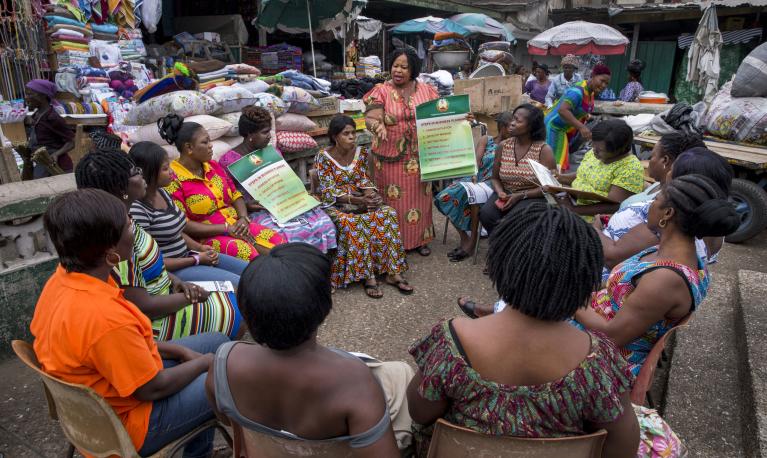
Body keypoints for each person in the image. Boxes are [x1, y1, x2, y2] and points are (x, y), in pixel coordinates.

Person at [407, 203, 648, 457]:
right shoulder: (598, 362)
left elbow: (419, 412)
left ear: (501, 264)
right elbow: (621, 448)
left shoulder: (452, 342)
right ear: (583, 279)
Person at [31, 189, 228, 458]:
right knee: (224, 372)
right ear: (112, 255)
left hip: (104, 393)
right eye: (128, 225)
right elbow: (152, 388)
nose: (134, 229)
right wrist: (205, 363)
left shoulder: (63, 279)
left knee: (216, 342)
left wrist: (180, 352)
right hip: (130, 424)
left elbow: (122, 348)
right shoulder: (106, 318)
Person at [205, 243, 415, 456]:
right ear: (323, 307)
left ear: (248, 313)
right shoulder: (356, 383)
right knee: (402, 372)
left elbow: (227, 419)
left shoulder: (224, 362)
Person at [574, 175, 740, 376]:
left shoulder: (666, 279)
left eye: (655, 201)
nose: (649, 205)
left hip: (603, 362)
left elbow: (612, 337)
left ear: (668, 213)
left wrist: (569, 301)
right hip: (589, 324)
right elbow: (616, 285)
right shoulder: (672, 252)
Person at [75, 149, 243, 341]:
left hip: (170, 289)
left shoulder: (127, 220)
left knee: (238, 294)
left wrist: (177, 282)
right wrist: (190, 295)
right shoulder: (117, 240)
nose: (141, 175)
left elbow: (151, 265)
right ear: (121, 189)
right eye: (135, 172)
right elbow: (144, 307)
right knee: (236, 304)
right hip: (154, 326)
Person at [159, 114, 286, 261]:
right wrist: (226, 228)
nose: (211, 145)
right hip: (207, 237)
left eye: (210, 141)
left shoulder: (213, 166)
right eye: (205, 142)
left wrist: (243, 218)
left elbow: (235, 194)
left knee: (280, 243)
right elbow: (184, 225)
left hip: (236, 224)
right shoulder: (173, 180)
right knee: (248, 254)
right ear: (189, 148)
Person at [217, 106, 337, 254]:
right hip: (259, 211)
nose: (269, 136)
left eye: (270, 131)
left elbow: (285, 178)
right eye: (264, 132)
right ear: (250, 134)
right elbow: (228, 194)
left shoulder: (272, 152)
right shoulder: (229, 161)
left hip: (286, 203)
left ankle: (321, 267)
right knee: (289, 236)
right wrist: (247, 206)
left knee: (324, 224)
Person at [598, 146, 733, 277]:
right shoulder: (708, 216)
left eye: (672, 169)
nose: (667, 172)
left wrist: (594, 226)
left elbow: (613, 258)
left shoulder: (671, 223)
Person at [315, 115, 411, 297]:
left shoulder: (361, 153)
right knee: (352, 222)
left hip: (359, 198)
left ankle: (393, 272)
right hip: (336, 203)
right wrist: (357, 201)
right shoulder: (323, 157)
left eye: (354, 133)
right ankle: (368, 276)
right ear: (335, 137)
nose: (352, 137)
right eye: (346, 134)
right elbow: (328, 191)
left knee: (388, 213)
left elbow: (364, 180)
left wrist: (370, 196)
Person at [129, 142, 248, 287]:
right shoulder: (138, 210)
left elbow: (176, 232)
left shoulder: (163, 193)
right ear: (149, 174)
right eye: (165, 169)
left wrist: (199, 248)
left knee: (250, 272)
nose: (172, 172)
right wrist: (196, 259)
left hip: (190, 256)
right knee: (241, 285)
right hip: (174, 271)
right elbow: (149, 262)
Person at [364, 47, 439, 256]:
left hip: (420, 154)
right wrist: (376, 126)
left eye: (404, 67)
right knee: (394, 201)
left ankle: (421, 240)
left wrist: (460, 119)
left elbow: (440, 115)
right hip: (390, 157)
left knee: (420, 199)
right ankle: (393, 242)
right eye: (395, 66)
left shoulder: (426, 90)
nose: (398, 70)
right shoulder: (381, 90)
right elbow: (371, 117)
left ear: (413, 69)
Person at [434, 112, 514, 262]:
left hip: (495, 183)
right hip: (477, 178)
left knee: (471, 196)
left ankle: (472, 241)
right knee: (445, 195)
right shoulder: (486, 140)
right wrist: (474, 175)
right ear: (502, 127)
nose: (513, 129)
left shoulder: (513, 145)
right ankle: (465, 237)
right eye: (510, 126)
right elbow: (476, 161)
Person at [479, 104, 556, 235]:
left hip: (532, 196)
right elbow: (495, 178)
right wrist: (500, 192)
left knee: (513, 220)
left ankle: (513, 250)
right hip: (507, 193)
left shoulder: (543, 150)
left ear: (531, 126)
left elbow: (549, 187)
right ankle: (503, 247)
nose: (512, 124)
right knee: (487, 214)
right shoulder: (503, 146)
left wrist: (520, 195)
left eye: (518, 121)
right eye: (513, 119)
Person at [552, 119, 644, 219]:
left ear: (618, 150)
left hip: (596, 220)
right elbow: (583, 174)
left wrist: (573, 209)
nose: (594, 151)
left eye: (599, 150)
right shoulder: (595, 153)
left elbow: (615, 205)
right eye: (592, 145)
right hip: (573, 203)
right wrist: (560, 178)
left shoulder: (630, 168)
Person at [545, 64, 611, 171]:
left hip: (563, 129)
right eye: (602, 80)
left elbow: (579, 109)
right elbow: (563, 110)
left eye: (606, 83)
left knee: (559, 164)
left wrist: (586, 116)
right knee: (555, 164)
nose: (604, 85)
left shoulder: (591, 93)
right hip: (554, 127)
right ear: (593, 76)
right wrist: (581, 127)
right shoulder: (577, 92)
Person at [21, 79, 74, 179]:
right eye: (26, 94)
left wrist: (56, 154)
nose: (26, 97)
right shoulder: (36, 115)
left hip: (57, 168)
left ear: (43, 96)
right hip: (42, 165)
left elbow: (71, 142)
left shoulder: (52, 118)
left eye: (30, 94)